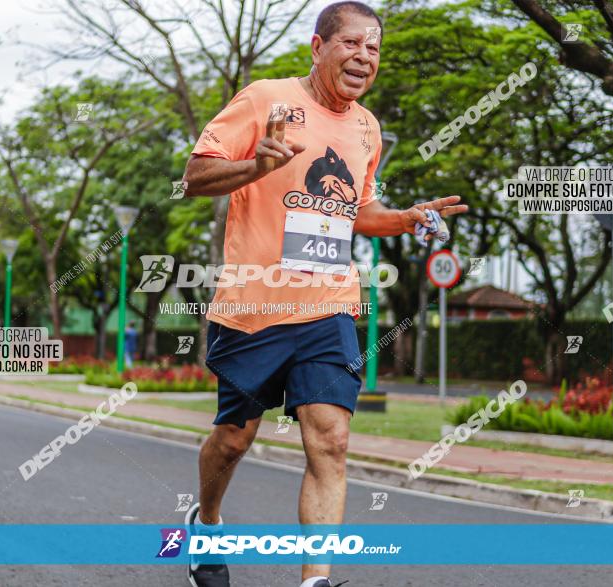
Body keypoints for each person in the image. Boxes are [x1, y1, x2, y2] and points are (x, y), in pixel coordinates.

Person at [181, 3, 468, 586]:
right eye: (352, 44)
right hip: (254, 306)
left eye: (375, 48)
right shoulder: (265, 99)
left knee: (331, 439)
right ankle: (206, 521)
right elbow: (194, 177)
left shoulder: (367, 128)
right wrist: (255, 165)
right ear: (318, 48)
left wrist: (406, 218)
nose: (365, 57)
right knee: (234, 440)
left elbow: (357, 211)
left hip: (329, 304)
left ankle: (315, 580)